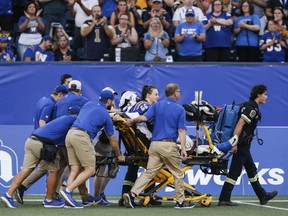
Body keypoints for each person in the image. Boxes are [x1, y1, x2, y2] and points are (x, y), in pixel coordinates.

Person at [122, 83, 194, 209]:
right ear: (176, 93)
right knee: (178, 173)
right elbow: (181, 131)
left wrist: (132, 121)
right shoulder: (179, 109)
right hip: (168, 145)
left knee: (149, 173)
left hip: (154, 146)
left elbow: (143, 118)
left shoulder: (156, 106)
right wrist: (183, 148)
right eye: (179, 92)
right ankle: (181, 202)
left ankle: (132, 194)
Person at [0, 106, 81, 208]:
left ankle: (8, 195)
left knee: (26, 170)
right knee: (54, 171)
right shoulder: (73, 119)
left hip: (30, 140)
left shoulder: (62, 119)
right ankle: (49, 200)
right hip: (42, 144)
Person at [60, 90, 125, 208]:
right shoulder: (105, 115)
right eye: (112, 101)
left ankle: (68, 199)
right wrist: (119, 155)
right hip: (82, 136)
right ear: (109, 101)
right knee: (90, 170)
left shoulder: (88, 104)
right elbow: (113, 140)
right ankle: (67, 191)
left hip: (70, 134)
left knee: (75, 168)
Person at [218, 84, 278, 206]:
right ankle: (224, 198)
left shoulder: (247, 105)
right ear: (258, 94)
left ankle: (262, 196)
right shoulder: (251, 109)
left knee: (251, 170)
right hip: (242, 144)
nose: (266, 97)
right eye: (265, 94)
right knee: (235, 171)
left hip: (244, 144)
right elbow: (240, 124)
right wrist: (234, 143)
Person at [118, 85, 160, 206]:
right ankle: (147, 195)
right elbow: (153, 124)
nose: (157, 97)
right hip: (145, 142)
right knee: (154, 167)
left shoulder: (133, 107)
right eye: (155, 94)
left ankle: (125, 195)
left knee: (134, 169)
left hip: (134, 144)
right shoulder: (146, 106)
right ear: (148, 94)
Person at [93, 87, 119, 206]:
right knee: (101, 168)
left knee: (110, 168)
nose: (113, 101)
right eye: (111, 98)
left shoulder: (109, 108)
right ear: (107, 100)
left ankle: (100, 193)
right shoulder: (101, 109)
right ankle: (97, 195)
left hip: (109, 142)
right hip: (101, 142)